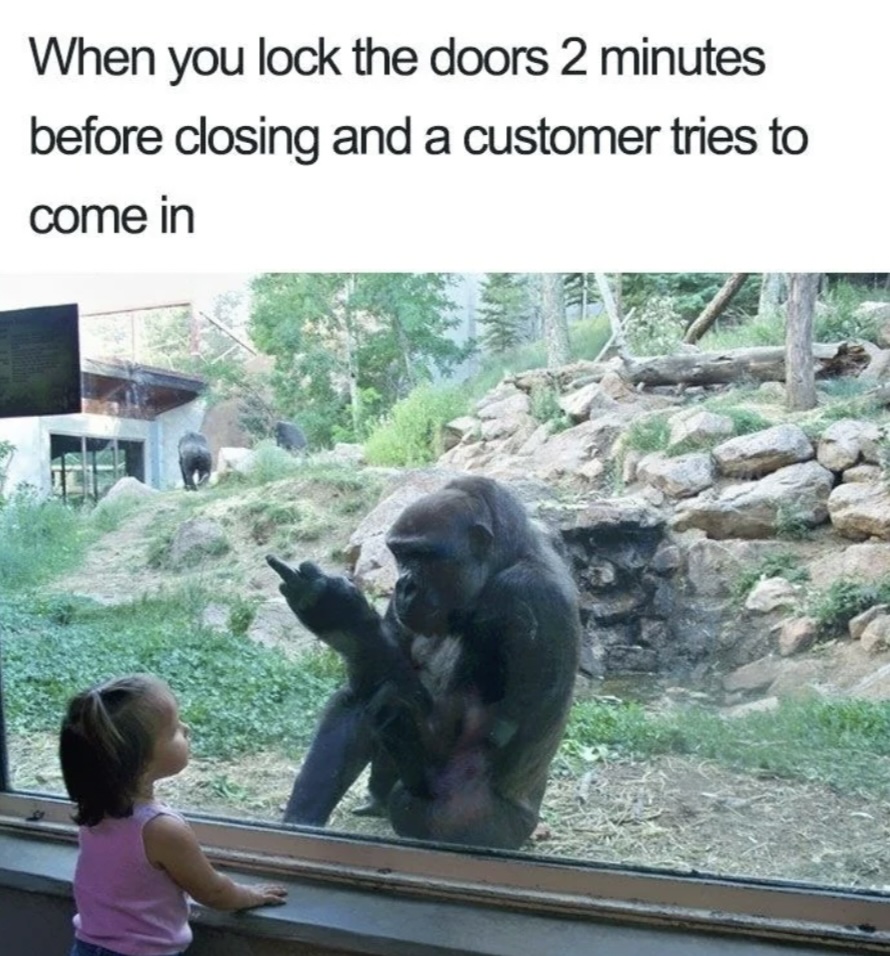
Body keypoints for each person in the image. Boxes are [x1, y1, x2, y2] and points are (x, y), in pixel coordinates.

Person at [59, 674, 288, 956]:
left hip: (86, 947)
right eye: (173, 730)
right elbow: (213, 892)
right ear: (137, 760)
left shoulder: (95, 810)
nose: (186, 728)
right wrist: (251, 895)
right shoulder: (160, 829)